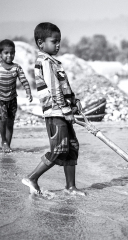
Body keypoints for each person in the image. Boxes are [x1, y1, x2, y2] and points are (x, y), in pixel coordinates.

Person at [22, 22, 84, 195]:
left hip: (63, 112)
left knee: (72, 147)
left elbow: (64, 87)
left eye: (59, 41)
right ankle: (32, 177)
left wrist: (74, 101)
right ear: (41, 43)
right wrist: (66, 111)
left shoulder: (55, 62)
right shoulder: (45, 62)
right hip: (55, 114)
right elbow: (55, 91)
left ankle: (70, 187)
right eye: (54, 41)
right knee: (59, 150)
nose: (58, 45)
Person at [0, 39, 33, 153]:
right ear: (0, 54)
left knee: (10, 122)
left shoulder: (16, 67)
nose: (9, 55)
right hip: (0, 98)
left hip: (12, 99)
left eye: (12, 53)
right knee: (3, 119)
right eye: (6, 53)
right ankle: (3, 141)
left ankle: (7, 145)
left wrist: (28, 92)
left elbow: (24, 80)